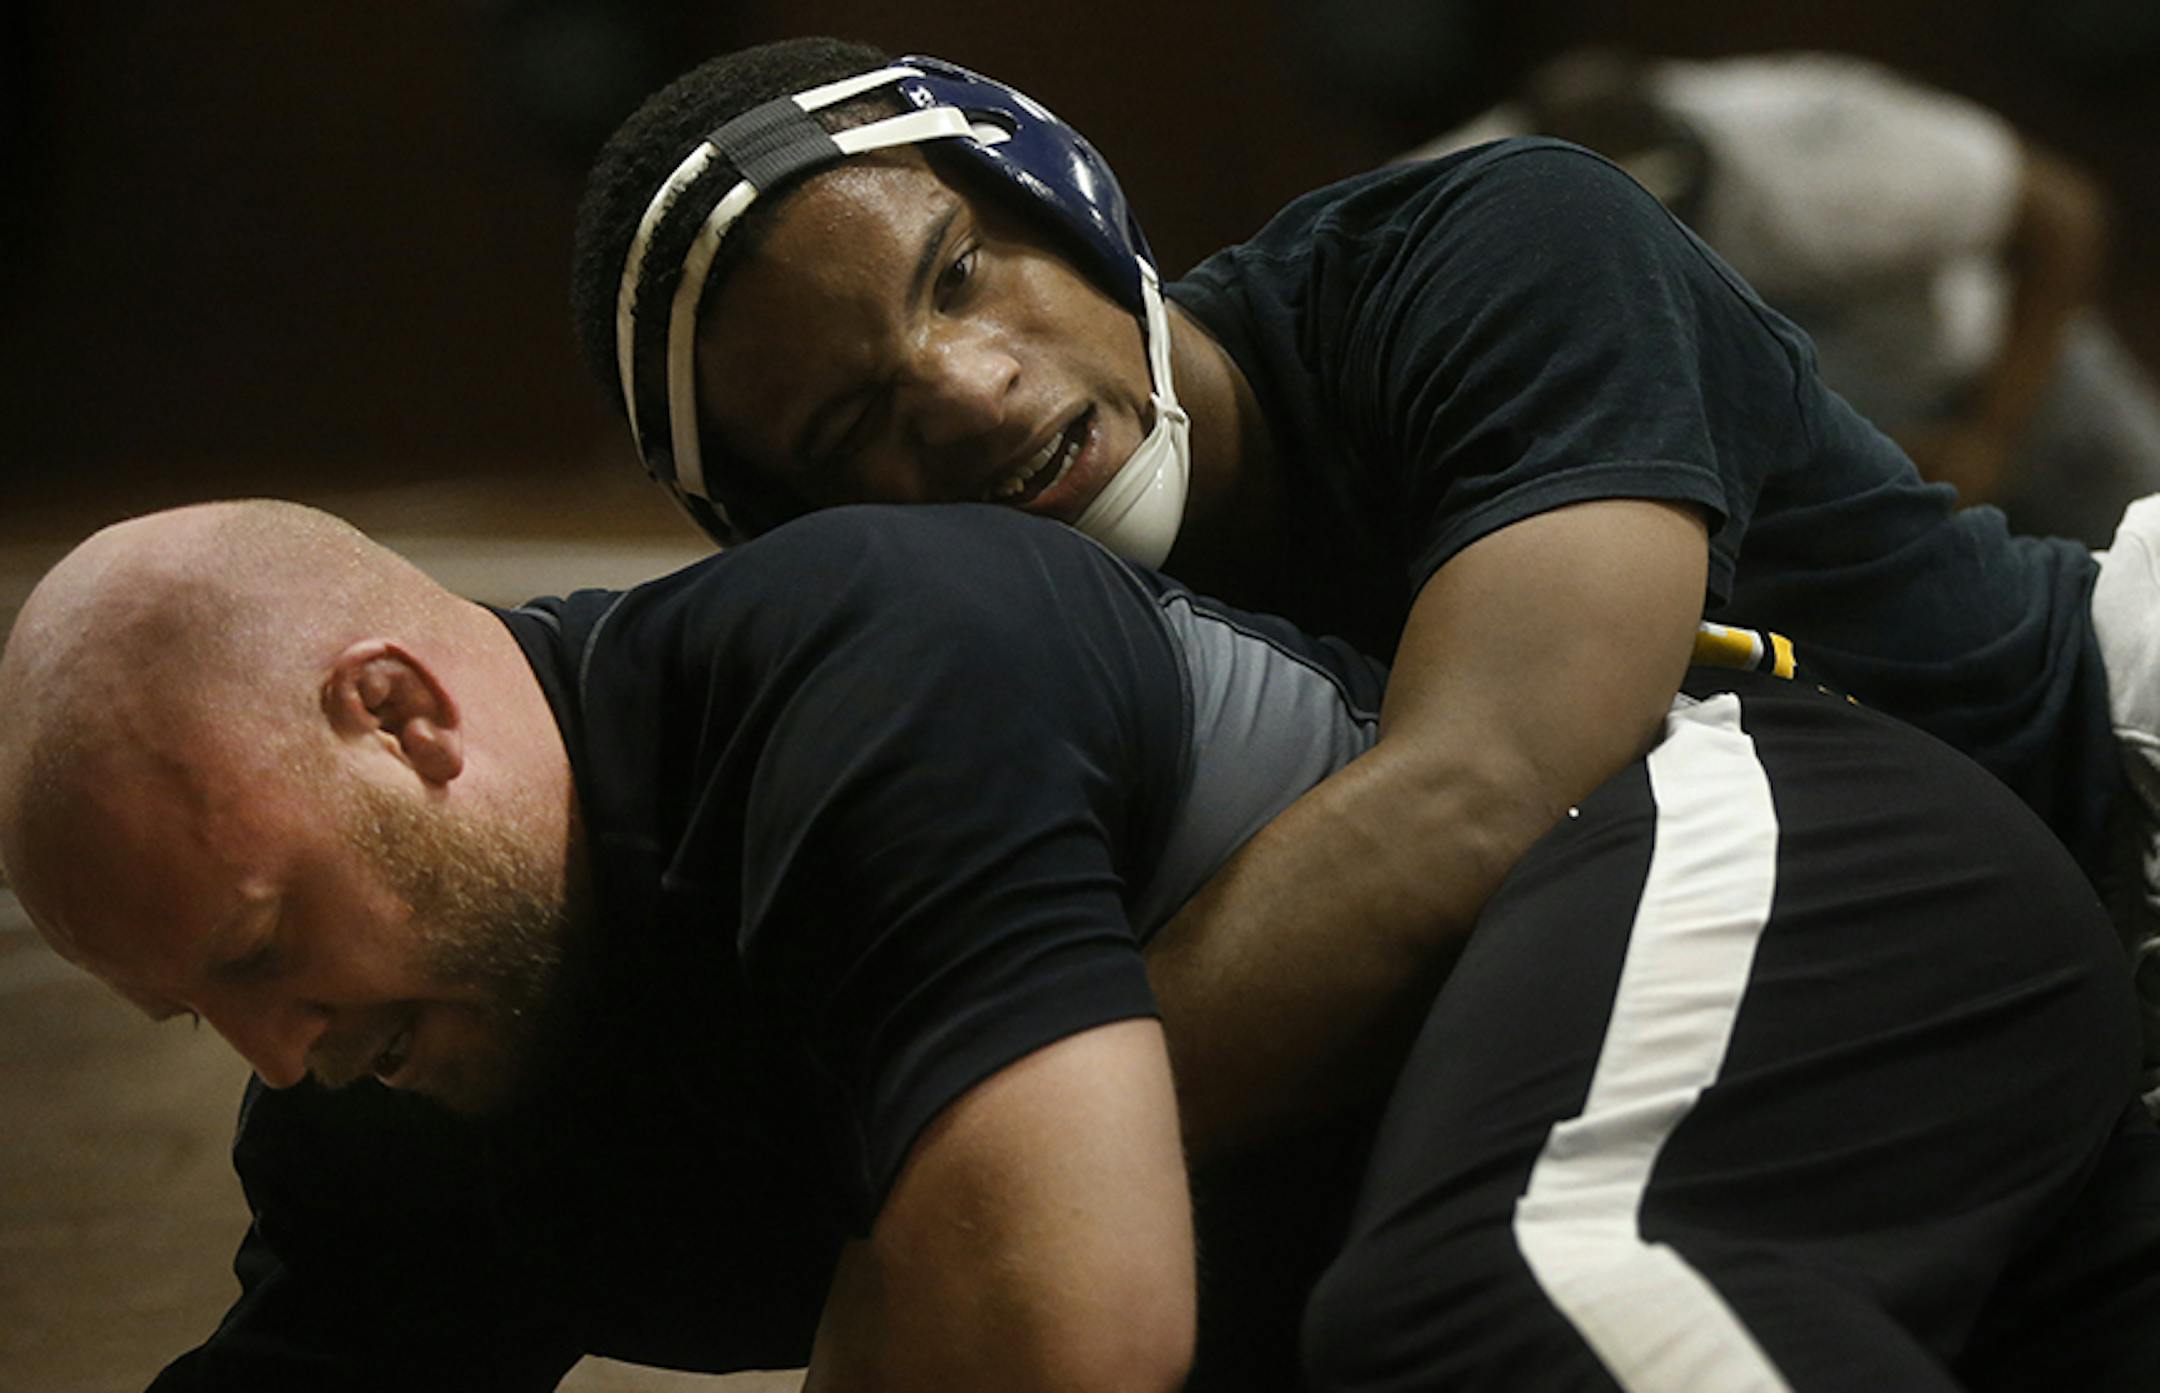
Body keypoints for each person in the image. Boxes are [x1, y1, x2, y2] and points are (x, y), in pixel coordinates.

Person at [4, 498, 2158, 1391]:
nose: (270, 1052)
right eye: (200, 1011)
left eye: (262, 945)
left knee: (1482, 1310)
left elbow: (1068, 1333)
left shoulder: (854, 666)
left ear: (402, 715)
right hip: (1769, 1217)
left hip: (1776, 863)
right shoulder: (392, 1094)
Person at [568, 38, 2160, 1120]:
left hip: (2110, 744)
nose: (972, 392)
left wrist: (1004, 1151)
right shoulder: (1030, 645)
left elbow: (1482, 791)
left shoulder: (1493, 240)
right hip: (1945, 1012)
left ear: (1058, 193)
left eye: (961, 276)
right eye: (857, 421)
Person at [1406, 47, 2160, 547]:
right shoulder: (1452, 203)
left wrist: (1994, 432)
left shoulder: (1824, 154)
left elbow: (2062, 214)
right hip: (1777, 455)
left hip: (1980, 369)